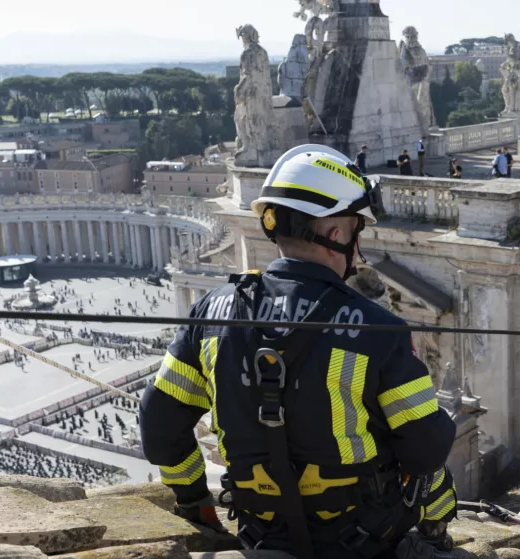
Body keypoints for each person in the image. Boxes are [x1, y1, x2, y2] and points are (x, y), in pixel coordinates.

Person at [139, 144, 457, 559]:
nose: (357, 250)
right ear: (336, 234)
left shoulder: (212, 312)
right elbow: (425, 448)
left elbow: (160, 425)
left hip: (260, 536)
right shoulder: (380, 328)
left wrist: (195, 501)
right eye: (357, 232)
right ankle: (436, 535)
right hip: (363, 543)